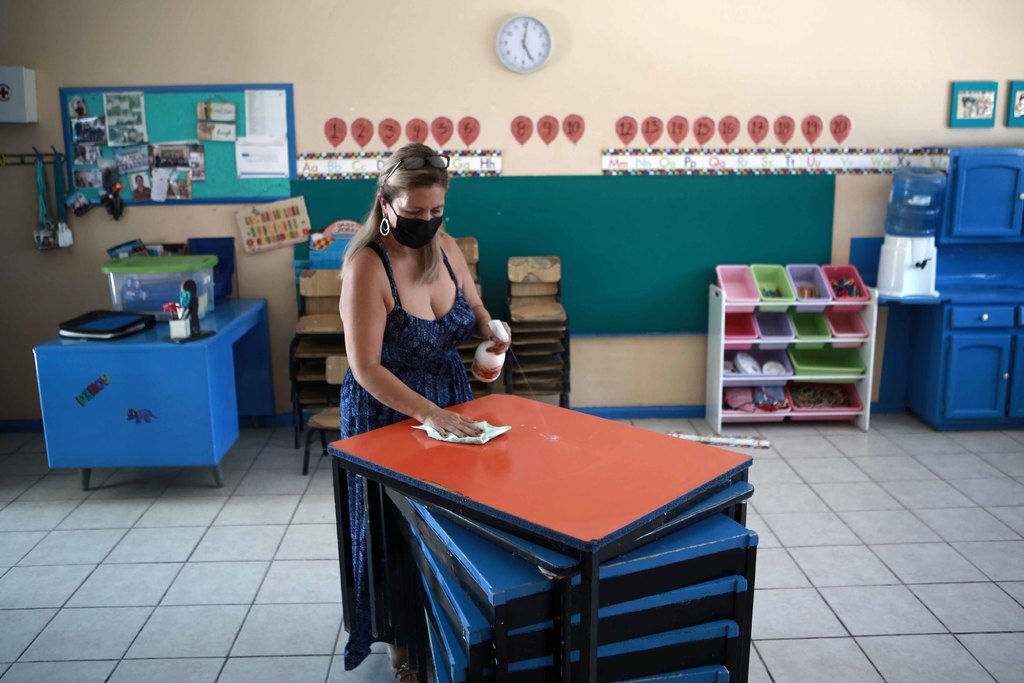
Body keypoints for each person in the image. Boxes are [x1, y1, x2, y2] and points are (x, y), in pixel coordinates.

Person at [338, 142, 511, 681]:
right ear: (385, 204)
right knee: (394, 534)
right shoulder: (367, 267)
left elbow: (474, 308)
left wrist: (491, 332)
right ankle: (404, 653)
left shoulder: (446, 247)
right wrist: (429, 414)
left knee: (448, 525)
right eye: (415, 212)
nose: (428, 222)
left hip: (449, 399)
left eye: (437, 211)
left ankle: (450, 628)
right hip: (388, 412)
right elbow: (366, 367)